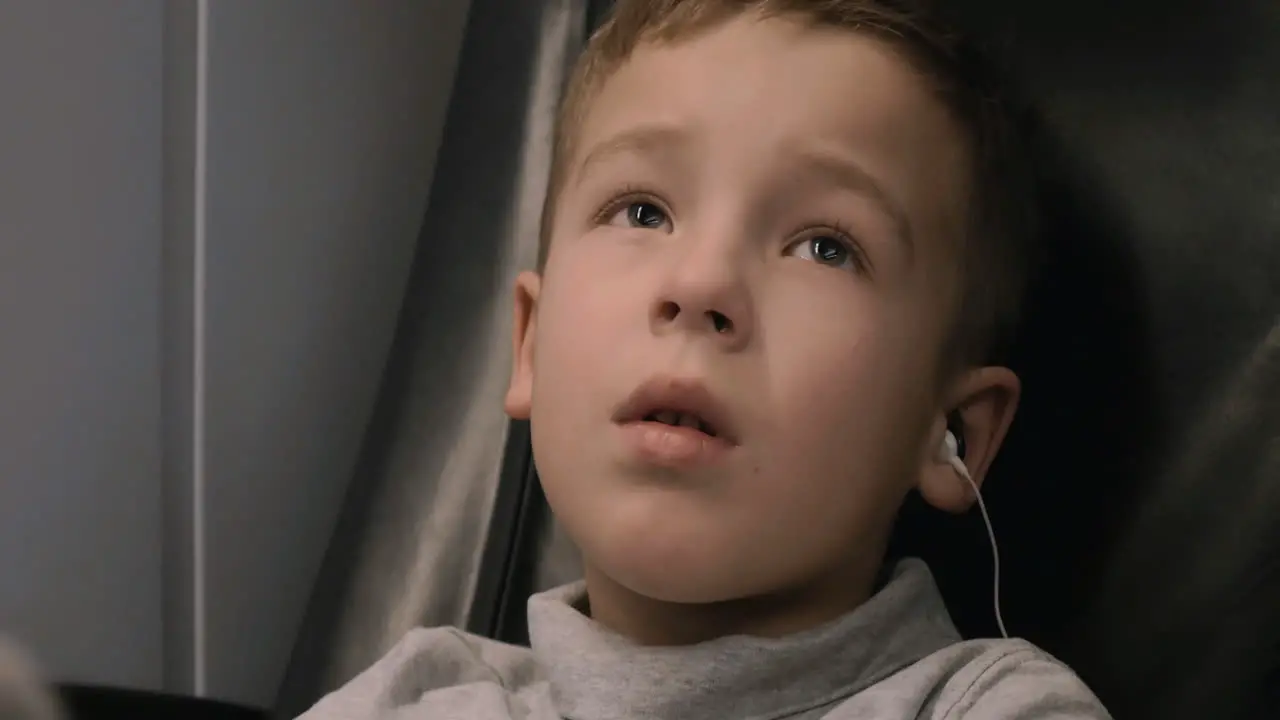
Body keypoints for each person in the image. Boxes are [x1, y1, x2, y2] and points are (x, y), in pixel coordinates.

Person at [299, 0, 1112, 717]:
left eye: (825, 247)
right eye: (642, 210)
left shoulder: (994, 710)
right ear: (530, 347)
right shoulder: (412, 696)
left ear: (953, 431)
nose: (700, 284)